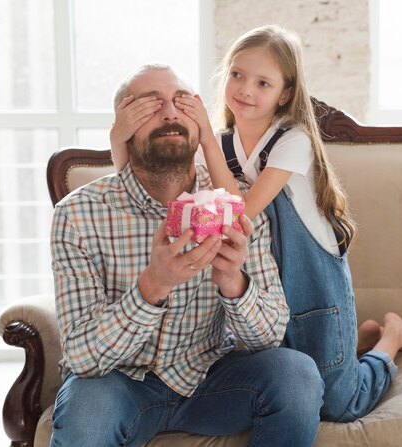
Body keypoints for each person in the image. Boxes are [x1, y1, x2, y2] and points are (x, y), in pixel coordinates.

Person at [110, 25, 402, 423]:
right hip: (262, 283)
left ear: (285, 93)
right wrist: (117, 136)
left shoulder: (294, 141)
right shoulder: (223, 144)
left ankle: (392, 337)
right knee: (297, 381)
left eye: (263, 82)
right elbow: (137, 187)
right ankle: (354, 340)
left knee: (340, 405)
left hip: (310, 280)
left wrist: (205, 137)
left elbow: (239, 212)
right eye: (237, 74)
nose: (245, 89)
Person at [50, 64, 324, 447]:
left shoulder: (234, 205)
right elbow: (81, 358)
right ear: (124, 126)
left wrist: (233, 283)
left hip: (211, 380)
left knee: (297, 375)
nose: (170, 113)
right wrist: (152, 287)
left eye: (181, 103)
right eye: (150, 105)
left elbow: (269, 337)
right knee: (87, 408)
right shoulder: (77, 214)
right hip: (118, 383)